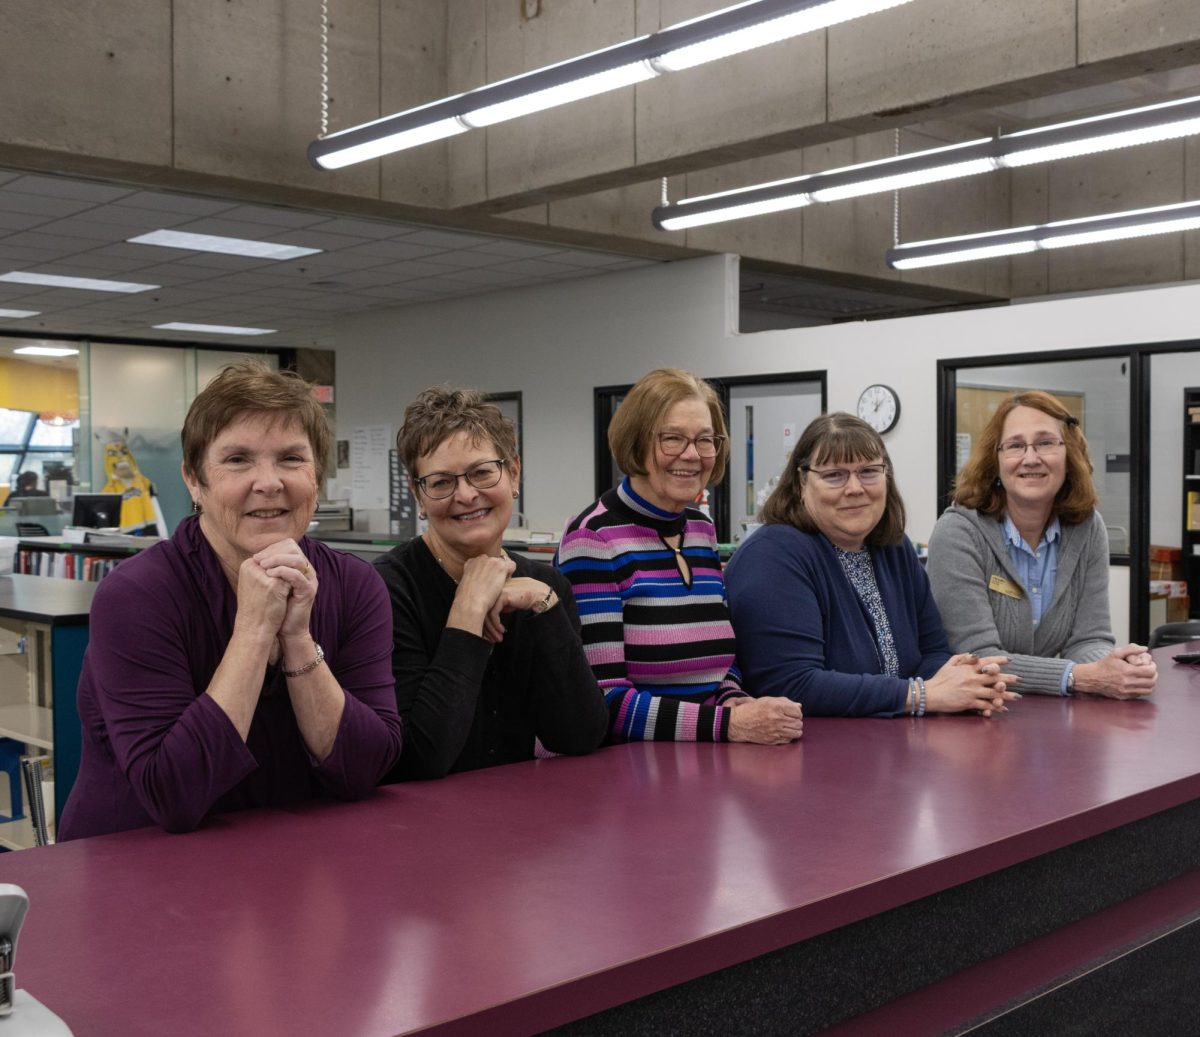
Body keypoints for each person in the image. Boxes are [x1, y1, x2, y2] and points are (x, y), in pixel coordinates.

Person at [59, 362, 403, 838]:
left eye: (290, 458)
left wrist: (299, 639)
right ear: (194, 481)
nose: (268, 482)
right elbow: (174, 794)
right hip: (138, 867)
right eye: (238, 459)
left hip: (289, 862)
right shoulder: (136, 596)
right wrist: (255, 630)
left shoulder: (356, 586)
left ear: (317, 477)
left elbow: (365, 770)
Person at [557, 368, 803, 744]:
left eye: (705, 440)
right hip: (627, 773)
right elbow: (603, 700)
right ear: (636, 442)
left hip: (702, 762)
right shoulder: (594, 539)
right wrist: (727, 725)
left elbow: (718, 665)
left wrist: (734, 701)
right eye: (672, 439)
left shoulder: (701, 530)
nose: (692, 455)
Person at [374, 386, 608, 780]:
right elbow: (420, 758)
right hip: (416, 828)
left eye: (482, 472)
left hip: (518, 818)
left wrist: (546, 606)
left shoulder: (543, 586)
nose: (466, 495)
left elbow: (580, 735)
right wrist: (466, 613)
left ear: (513, 473)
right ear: (418, 494)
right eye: (441, 482)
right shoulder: (386, 589)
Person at [725, 412, 1019, 717]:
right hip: (811, 753)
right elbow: (792, 684)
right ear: (801, 482)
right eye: (834, 475)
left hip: (892, 744)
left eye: (868, 471)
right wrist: (921, 694)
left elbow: (932, 652)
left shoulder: (894, 547)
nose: (855, 488)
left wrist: (965, 684)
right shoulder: (773, 556)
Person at [928, 390, 1156, 699]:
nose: (1031, 458)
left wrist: (1117, 666)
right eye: (1015, 445)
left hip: (1049, 718)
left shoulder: (1088, 528)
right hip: (973, 718)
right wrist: (1079, 676)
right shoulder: (958, 532)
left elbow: (1089, 639)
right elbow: (978, 658)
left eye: (1046, 442)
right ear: (995, 459)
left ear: (1069, 454)